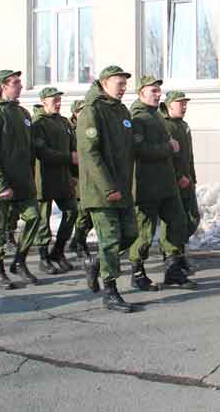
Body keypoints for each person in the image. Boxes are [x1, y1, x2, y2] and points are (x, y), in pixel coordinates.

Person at [76, 65, 139, 312]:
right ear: (104, 82)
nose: (123, 88)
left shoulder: (121, 110)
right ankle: (110, 292)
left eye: (125, 84)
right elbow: (90, 154)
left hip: (121, 188)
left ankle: (96, 264)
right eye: (119, 83)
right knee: (110, 239)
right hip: (101, 191)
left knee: (131, 234)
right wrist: (108, 187)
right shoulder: (92, 111)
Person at [128, 76, 195, 289]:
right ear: (141, 93)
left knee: (177, 223)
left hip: (166, 183)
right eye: (153, 91)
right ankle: (137, 273)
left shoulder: (155, 115)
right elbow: (139, 150)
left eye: (159, 91)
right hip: (148, 185)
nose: (158, 94)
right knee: (145, 231)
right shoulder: (137, 118)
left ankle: (173, 270)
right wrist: (169, 148)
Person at [0, 70, 42, 289]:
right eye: (15, 83)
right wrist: (0, 184)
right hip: (1, 186)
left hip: (23, 182)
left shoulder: (23, 114)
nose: (20, 86)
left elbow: (31, 149)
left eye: (20, 82)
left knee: (34, 218)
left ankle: (20, 262)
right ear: (3, 87)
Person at [33, 87, 79, 274]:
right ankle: (43, 257)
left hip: (63, 178)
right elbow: (43, 153)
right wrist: (69, 158)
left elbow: (74, 149)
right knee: (43, 220)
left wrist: (75, 173)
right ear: (44, 102)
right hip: (44, 179)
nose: (58, 103)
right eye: (54, 100)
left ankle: (58, 251)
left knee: (71, 212)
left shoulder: (64, 122)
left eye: (59, 100)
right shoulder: (38, 124)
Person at [159, 91, 201, 273]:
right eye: (180, 103)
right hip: (172, 181)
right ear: (169, 105)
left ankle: (178, 251)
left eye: (185, 104)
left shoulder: (184, 125)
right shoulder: (165, 126)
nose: (184, 107)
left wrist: (192, 176)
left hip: (187, 180)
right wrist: (178, 177)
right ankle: (173, 256)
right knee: (174, 220)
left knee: (191, 218)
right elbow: (166, 158)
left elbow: (188, 156)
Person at [68, 99, 93, 262]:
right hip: (77, 177)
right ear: (75, 113)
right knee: (83, 214)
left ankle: (77, 239)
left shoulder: (89, 126)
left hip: (90, 175)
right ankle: (79, 243)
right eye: (81, 110)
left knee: (90, 214)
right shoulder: (71, 130)